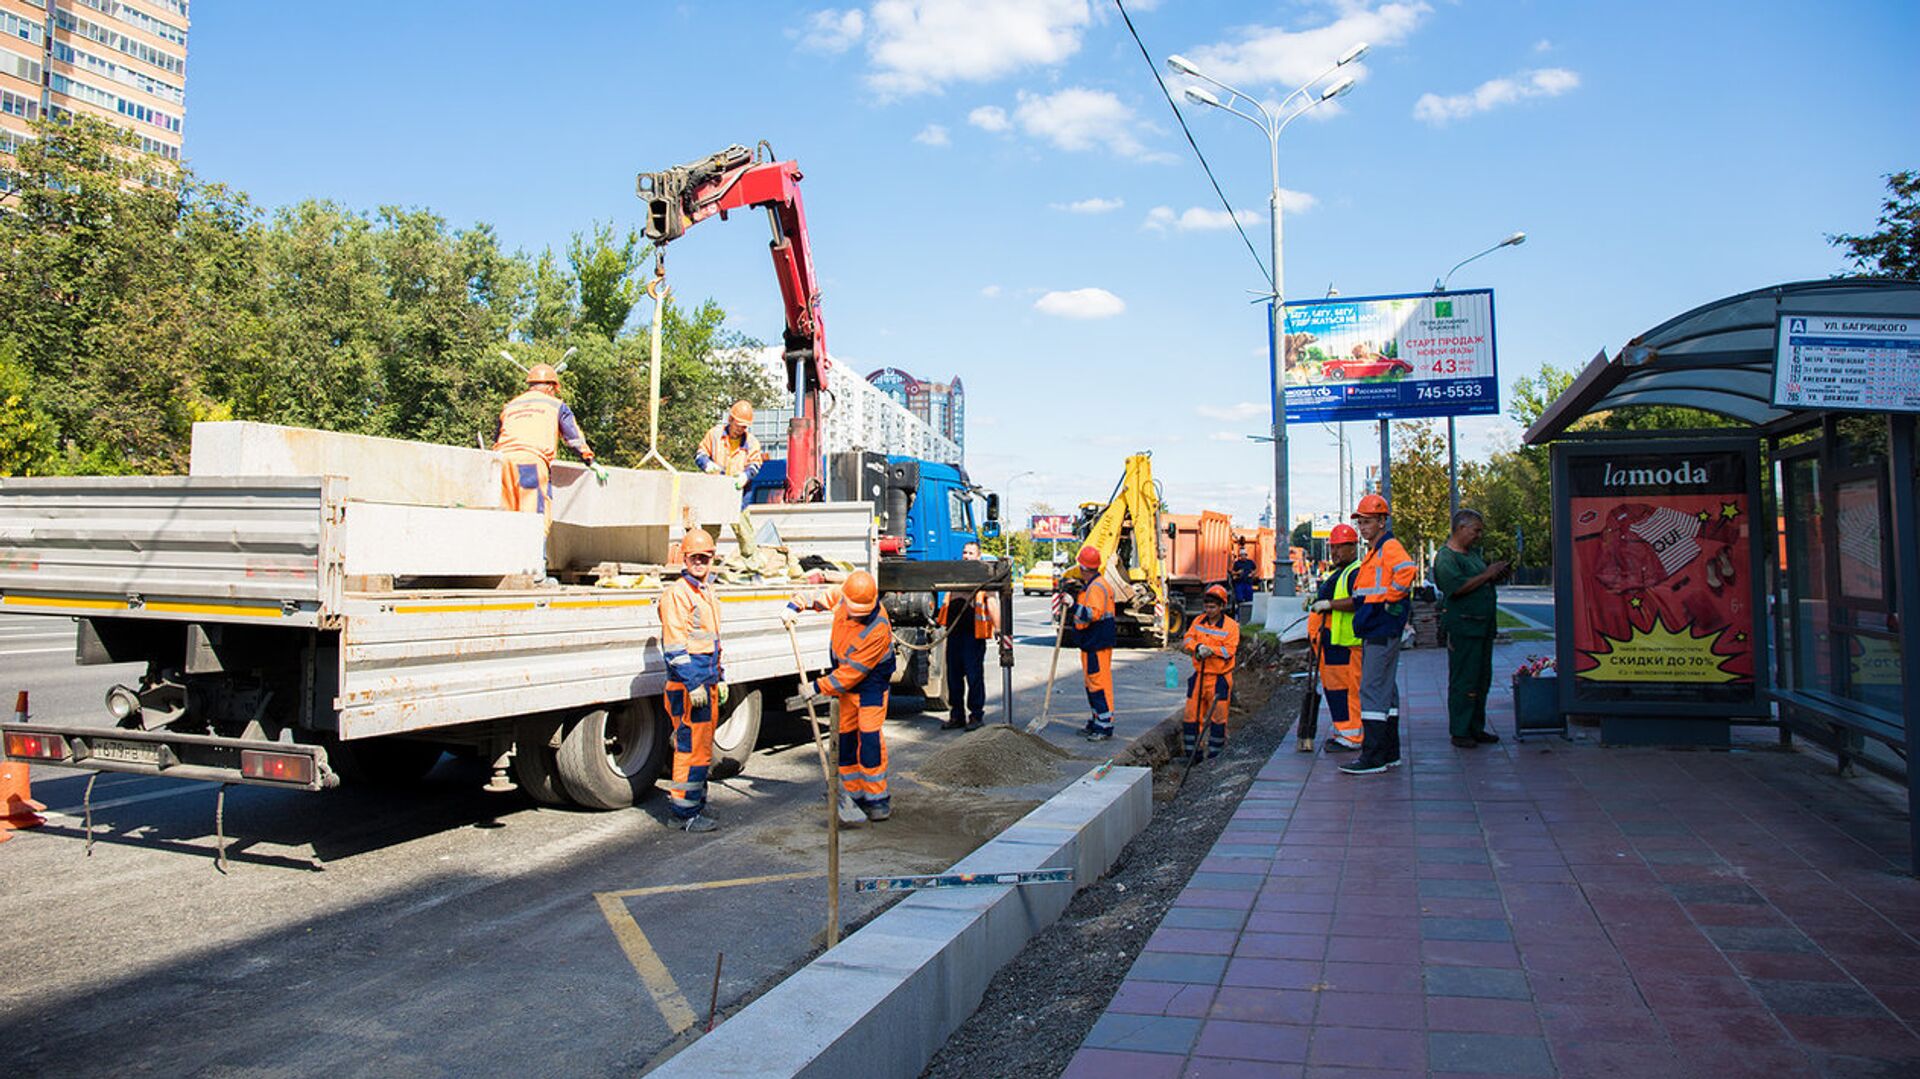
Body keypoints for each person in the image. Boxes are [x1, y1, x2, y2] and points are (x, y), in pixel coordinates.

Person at [784, 570, 895, 821]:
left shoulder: (878, 627)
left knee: (869, 742)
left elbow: (852, 673)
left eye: (860, 609)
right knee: (845, 740)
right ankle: (854, 795)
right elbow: (817, 597)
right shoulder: (845, 596)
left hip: (870, 688)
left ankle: (877, 800)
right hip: (846, 688)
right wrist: (795, 605)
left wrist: (817, 687)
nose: (855, 613)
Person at [1339, 494, 1418, 776]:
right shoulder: (1376, 551)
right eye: (1360, 521)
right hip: (1378, 626)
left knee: (1371, 689)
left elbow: (1407, 570)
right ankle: (1389, 751)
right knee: (1386, 690)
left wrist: (1390, 600)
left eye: (1368, 521)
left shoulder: (1388, 547)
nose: (1362, 527)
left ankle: (1373, 756)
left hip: (1381, 626)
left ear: (1382, 521)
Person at [660, 529, 724, 832]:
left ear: (712, 558)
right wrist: (692, 683)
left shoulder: (706, 592)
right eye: (694, 557)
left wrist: (720, 678)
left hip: (705, 681)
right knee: (689, 750)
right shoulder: (678, 594)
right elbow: (674, 646)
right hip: (688, 686)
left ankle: (695, 806)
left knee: (702, 750)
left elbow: (712, 641)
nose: (700, 561)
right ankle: (683, 814)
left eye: (705, 557)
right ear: (684, 559)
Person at [1432, 509, 1511, 749]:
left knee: (1481, 678)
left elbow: (1481, 580)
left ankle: (1476, 726)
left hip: (1482, 626)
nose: (1479, 535)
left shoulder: (1473, 555)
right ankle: (1461, 729)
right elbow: (1455, 587)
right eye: (1475, 530)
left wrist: (1495, 574)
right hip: (1464, 627)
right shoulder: (1446, 558)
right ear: (1460, 528)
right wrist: (1487, 574)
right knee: (1464, 679)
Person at [494, 363, 595, 526]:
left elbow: (497, 437)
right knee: (534, 518)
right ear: (550, 387)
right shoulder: (555, 405)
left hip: (502, 462)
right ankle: (535, 552)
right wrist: (589, 460)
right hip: (530, 464)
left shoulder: (511, 405)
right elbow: (574, 439)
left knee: (506, 517)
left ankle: (507, 551)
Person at [1308, 523, 1366, 753]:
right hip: (1331, 643)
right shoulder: (1340, 572)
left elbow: (1359, 600)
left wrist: (1328, 604)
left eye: (1340, 548)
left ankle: (1351, 736)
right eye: (1332, 548)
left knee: (1345, 690)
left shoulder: (1355, 572)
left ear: (1353, 547)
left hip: (1344, 644)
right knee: (1335, 691)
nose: (1335, 553)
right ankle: (1343, 731)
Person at [940, 541, 1005, 731]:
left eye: (970, 553)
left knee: (974, 676)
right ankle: (956, 716)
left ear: (979, 556)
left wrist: (1000, 630)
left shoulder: (983, 576)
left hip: (972, 636)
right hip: (954, 633)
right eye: (964, 552)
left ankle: (976, 716)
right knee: (953, 677)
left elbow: (992, 603)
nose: (966, 556)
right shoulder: (956, 574)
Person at [1181, 584, 1239, 762]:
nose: (1209, 610)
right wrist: (1198, 647)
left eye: (1213, 607)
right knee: (1191, 715)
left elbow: (1229, 650)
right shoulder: (1198, 621)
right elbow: (1187, 639)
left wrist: (1211, 650)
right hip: (1200, 675)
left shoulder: (1231, 627)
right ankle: (1193, 755)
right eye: (1207, 606)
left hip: (1219, 678)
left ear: (1222, 607)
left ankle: (1215, 755)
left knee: (1218, 718)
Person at [1065, 544, 1117, 741]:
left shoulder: (1096, 587)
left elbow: (1091, 614)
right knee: (1092, 683)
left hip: (1096, 642)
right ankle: (1098, 720)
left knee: (1098, 685)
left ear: (1085, 568)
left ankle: (1104, 726)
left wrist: (1072, 605)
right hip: (1092, 642)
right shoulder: (1094, 585)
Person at [696, 400, 765, 506]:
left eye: (744, 427)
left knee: (739, 522)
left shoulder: (752, 442)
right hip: (714, 493)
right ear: (730, 420)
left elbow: (755, 464)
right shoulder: (714, 434)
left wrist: (745, 476)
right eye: (738, 425)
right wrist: (707, 464)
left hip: (740, 497)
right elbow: (700, 454)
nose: (740, 429)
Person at [1231, 543, 1258, 609]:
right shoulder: (1237, 563)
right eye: (1241, 555)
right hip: (1240, 583)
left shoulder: (1250, 562)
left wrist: (1252, 574)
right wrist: (1238, 572)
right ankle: (1240, 610)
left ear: (1246, 555)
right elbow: (1233, 572)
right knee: (1240, 598)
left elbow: (1255, 569)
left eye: (1244, 555)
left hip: (1248, 583)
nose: (1243, 557)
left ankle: (1248, 610)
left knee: (1249, 598)